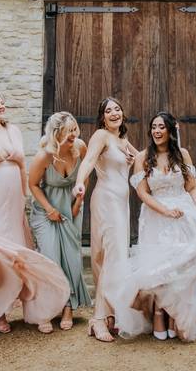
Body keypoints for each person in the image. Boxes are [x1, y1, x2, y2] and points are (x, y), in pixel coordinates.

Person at [0, 89, 70, 338]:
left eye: (3, 102)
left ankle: (2, 312)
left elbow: (21, 167)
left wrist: (23, 197)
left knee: (14, 260)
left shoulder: (13, 131)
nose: (1, 106)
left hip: (12, 205)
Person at [114, 112, 196, 342]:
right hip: (156, 216)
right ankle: (159, 312)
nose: (157, 131)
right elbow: (142, 192)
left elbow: (193, 187)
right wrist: (165, 211)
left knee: (181, 266)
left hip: (183, 214)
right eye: (154, 127)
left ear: (170, 130)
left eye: (161, 127)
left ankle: (173, 315)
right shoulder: (142, 157)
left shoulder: (183, 155)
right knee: (159, 268)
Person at [72, 97, 137, 342]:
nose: (113, 113)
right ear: (102, 117)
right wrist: (80, 182)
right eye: (108, 111)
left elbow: (144, 158)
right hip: (106, 201)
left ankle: (109, 315)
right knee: (111, 257)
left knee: (111, 258)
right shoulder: (101, 135)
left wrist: (173, 137)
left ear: (123, 113)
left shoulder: (123, 140)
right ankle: (99, 319)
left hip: (121, 205)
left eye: (117, 109)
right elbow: (88, 160)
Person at [28, 111, 92, 330]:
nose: (73, 135)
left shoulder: (81, 147)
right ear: (56, 134)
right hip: (46, 208)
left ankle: (68, 307)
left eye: (74, 130)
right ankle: (45, 309)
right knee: (50, 256)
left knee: (72, 257)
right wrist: (49, 209)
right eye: (68, 132)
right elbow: (33, 185)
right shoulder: (45, 155)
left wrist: (76, 206)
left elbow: (85, 177)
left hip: (71, 205)